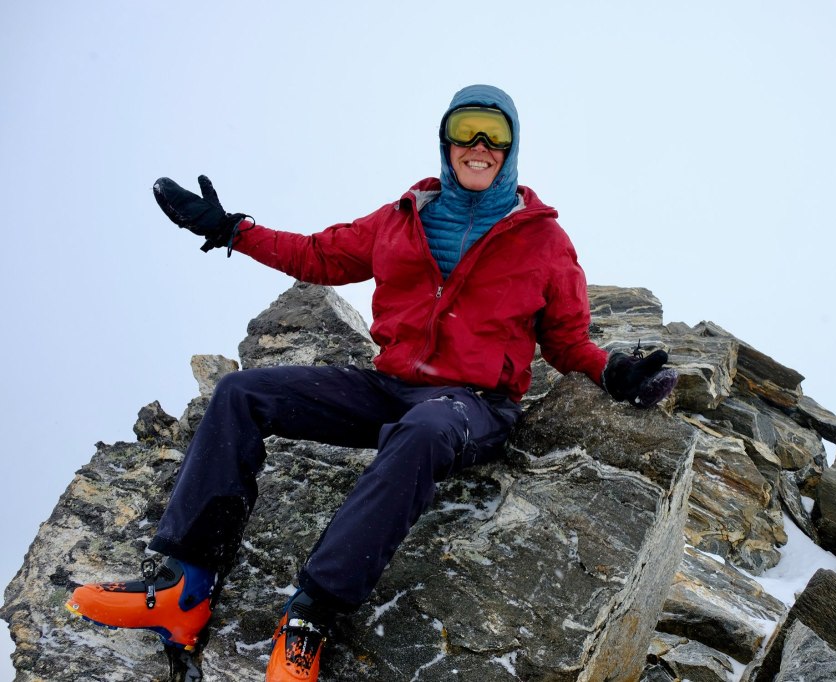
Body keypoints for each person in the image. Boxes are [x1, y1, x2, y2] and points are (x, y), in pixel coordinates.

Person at [64, 84, 677, 682]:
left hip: (473, 406)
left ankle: (311, 614)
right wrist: (232, 230)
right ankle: (186, 588)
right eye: (465, 131)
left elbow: (567, 341)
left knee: (427, 428)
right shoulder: (402, 218)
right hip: (389, 388)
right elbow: (317, 255)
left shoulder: (544, 241)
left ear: (512, 147)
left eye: (495, 134)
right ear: (445, 141)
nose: (480, 145)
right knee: (240, 394)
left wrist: (613, 371)